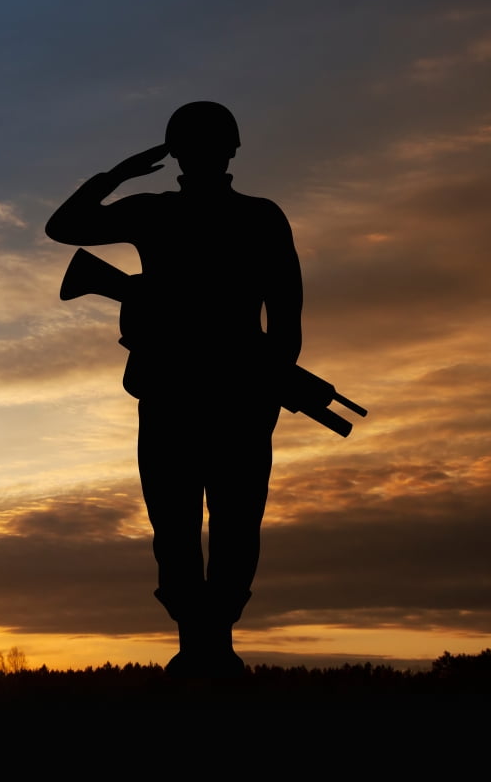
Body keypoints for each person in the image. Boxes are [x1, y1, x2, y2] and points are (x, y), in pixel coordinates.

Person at [45, 102, 303, 677]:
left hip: (217, 395)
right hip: (184, 394)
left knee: (219, 527)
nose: (205, 155)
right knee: (184, 526)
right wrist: (120, 176)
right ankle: (204, 647)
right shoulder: (173, 214)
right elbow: (62, 230)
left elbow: (286, 319)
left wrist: (120, 174)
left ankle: (207, 647)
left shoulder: (246, 216)